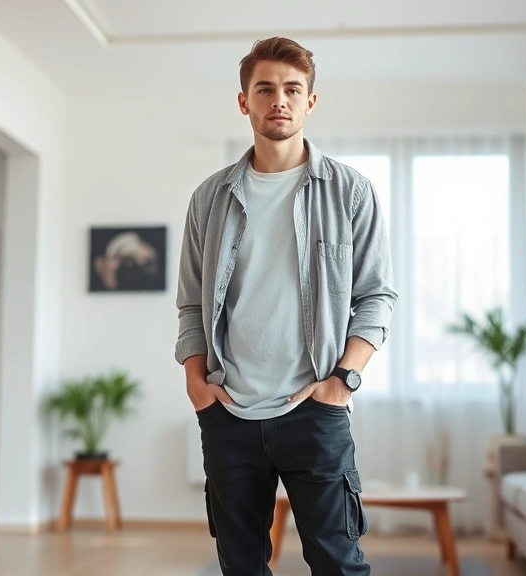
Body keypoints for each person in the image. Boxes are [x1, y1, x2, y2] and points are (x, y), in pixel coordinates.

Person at [174, 37, 397, 575]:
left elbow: (376, 296)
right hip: (228, 413)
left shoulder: (351, 192)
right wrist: (197, 382)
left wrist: (343, 380)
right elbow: (190, 304)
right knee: (241, 566)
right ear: (244, 101)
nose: (279, 99)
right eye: (266, 88)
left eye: (292, 89)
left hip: (315, 411)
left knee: (338, 563)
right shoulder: (209, 198)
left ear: (310, 102)